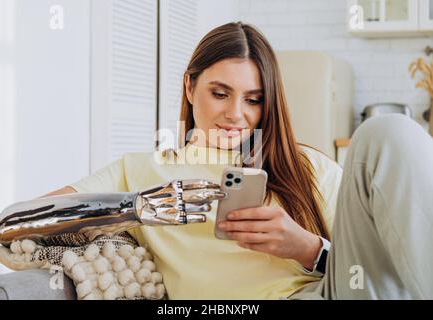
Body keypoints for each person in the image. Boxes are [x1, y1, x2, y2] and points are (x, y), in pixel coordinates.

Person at [25, 22, 433, 299]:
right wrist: (144, 206)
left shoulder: (303, 165)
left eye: (253, 100)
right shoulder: (139, 170)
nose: (236, 114)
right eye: (220, 93)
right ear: (190, 86)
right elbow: (20, 221)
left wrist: (308, 249)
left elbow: (372, 260)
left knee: (389, 131)